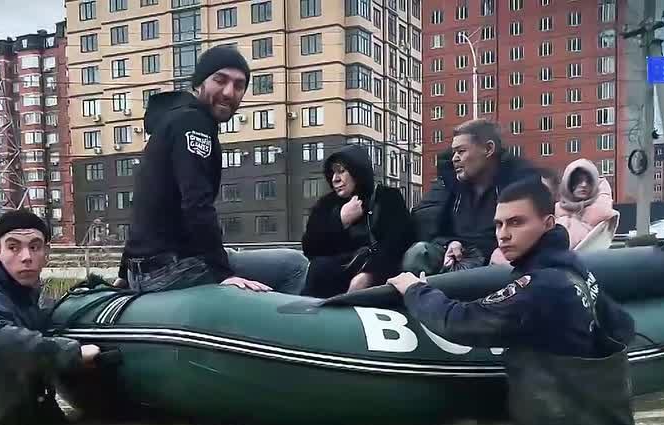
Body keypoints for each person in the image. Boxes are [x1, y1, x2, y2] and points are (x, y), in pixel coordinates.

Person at [387, 179, 637, 425]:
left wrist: (415, 289)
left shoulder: (540, 288)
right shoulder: (575, 270)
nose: (503, 234)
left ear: (548, 223)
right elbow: (624, 327)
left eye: (516, 222)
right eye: (499, 224)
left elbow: (458, 321)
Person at [117, 45, 309, 294]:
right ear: (199, 83)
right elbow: (197, 202)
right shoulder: (194, 123)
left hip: (146, 268)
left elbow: (146, 201)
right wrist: (223, 274)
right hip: (172, 269)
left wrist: (124, 273)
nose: (229, 92)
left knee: (236, 254)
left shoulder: (172, 121)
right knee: (293, 265)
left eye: (239, 85)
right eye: (220, 80)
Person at [0, 210, 111, 425]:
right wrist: (71, 353)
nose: (26, 257)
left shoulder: (23, 296)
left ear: (47, 252)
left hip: (25, 424)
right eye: (13, 247)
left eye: (34, 247)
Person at [404, 118, 539, 275]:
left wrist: (504, 249)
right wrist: (450, 243)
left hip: (498, 260)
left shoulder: (520, 184)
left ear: (488, 149)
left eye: (461, 151)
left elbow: (531, 232)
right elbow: (437, 230)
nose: (454, 158)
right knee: (419, 252)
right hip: (457, 256)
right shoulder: (450, 185)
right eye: (454, 152)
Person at [299, 144, 413, 298]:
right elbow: (310, 248)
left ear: (357, 172)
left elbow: (397, 243)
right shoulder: (326, 205)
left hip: (379, 277)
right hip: (330, 283)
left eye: (341, 171)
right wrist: (340, 221)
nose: (335, 179)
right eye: (332, 173)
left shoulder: (387, 198)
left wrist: (370, 274)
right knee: (320, 269)